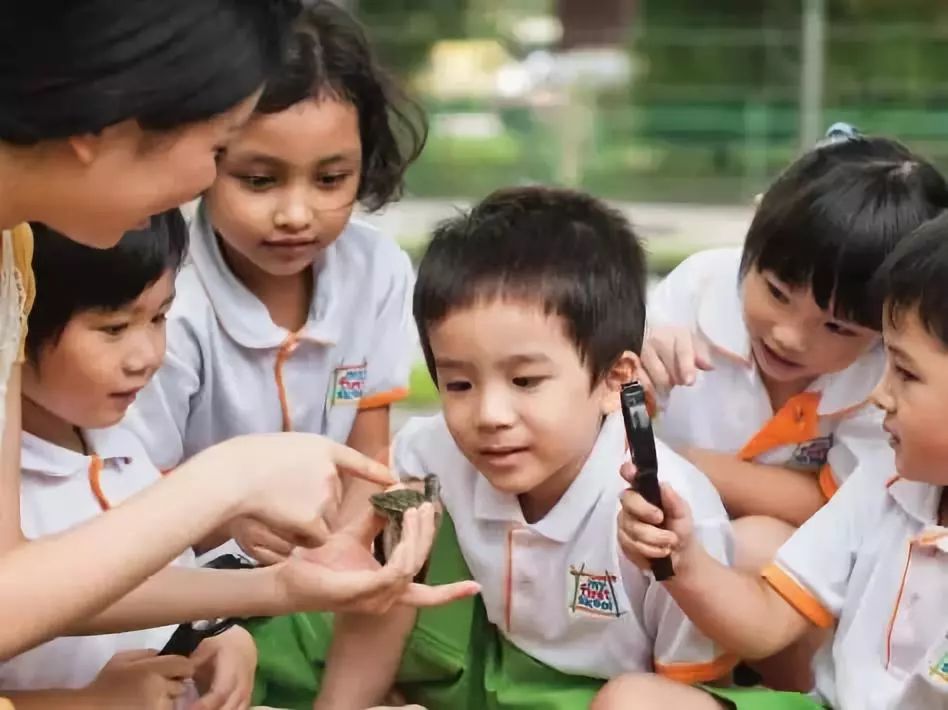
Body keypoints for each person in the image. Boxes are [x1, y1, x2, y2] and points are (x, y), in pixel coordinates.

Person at [0, 0, 465, 662]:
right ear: (104, 119)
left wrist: (282, 587)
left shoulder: (12, 256)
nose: (200, 182)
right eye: (219, 150)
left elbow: (17, 590)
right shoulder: (164, 287)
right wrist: (227, 482)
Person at [246, 186, 736, 709]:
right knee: (260, 641)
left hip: (610, 695)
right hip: (487, 669)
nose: (489, 416)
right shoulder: (428, 457)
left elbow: (684, 690)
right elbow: (384, 600)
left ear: (616, 380)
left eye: (525, 381)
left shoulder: (669, 514)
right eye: (459, 385)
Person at [604, 212, 948, 709]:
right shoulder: (886, 483)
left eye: (907, 374)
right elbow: (765, 624)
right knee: (631, 702)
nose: (879, 394)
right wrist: (681, 559)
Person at [127, 0, 424, 563]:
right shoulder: (165, 303)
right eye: (260, 181)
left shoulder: (378, 270)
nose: (295, 213)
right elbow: (137, 483)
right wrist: (221, 523)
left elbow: (368, 452)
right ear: (205, 157)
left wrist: (346, 550)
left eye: (331, 178)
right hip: (188, 573)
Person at [641, 135, 948, 563]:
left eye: (837, 327)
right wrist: (637, 372)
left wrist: (669, 463)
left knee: (759, 543)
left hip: (774, 558)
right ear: (756, 225)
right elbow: (606, 414)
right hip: (643, 525)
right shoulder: (697, 292)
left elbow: (830, 505)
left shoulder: (887, 379)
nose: (789, 336)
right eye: (778, 294)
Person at [3, 214, 256, 708]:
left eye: (159, 318)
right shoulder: (13, 492)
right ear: (17, 321)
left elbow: (171, 589)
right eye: (114, 328)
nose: (148, 355)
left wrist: (217, 635)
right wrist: (88, 702)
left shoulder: (122, 446)